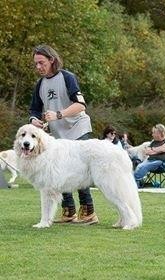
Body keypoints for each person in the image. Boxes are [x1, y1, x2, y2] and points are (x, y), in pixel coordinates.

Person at [29, 44, 98, 225]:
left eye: (41, 63)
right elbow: (34, 109)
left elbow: (81, 105)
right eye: (35, 64)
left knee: (79, 170)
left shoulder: (67, 77)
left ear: (52, 60)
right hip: (58, 135)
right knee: (59, 173)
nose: (38, 67)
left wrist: (58, 114)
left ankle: (88, 212)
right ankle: (68, 212)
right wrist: (34, 121)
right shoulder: (40, 84)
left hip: (78, 128)